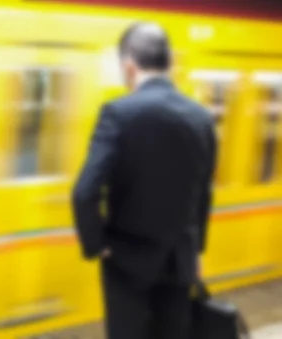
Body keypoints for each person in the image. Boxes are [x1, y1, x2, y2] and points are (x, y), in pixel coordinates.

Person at [72, 22, 216, 339]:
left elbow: (85, 192)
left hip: (127, 262)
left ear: (129, 66)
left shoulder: (118, 113)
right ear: (170, 63)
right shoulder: (201, 117)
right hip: (180, 261)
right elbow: (204, 195)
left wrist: (97, 245)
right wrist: (196, 253)